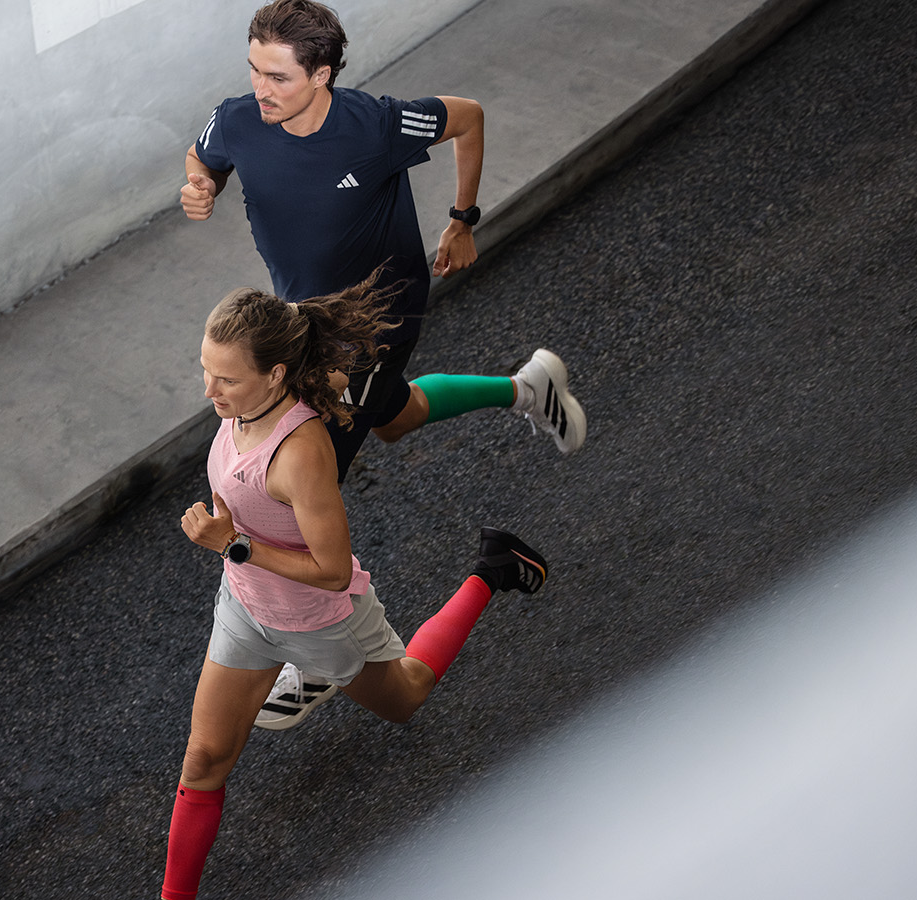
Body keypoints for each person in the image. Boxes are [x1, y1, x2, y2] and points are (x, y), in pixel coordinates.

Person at [181, 0, 585, 729]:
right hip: (303, 319)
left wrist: (462, 221)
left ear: (322, 74)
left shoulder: (375, 126)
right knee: (394, 418)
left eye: (277, 77)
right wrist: (201, 186)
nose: (260, 88)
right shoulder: (238, 120)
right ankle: (528, 388)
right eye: (254, 70)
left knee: (304, 472)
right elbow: (203, 156)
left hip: (377, 325)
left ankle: (318, 652)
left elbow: (468, 117)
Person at [161, 277, 550, 900]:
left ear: (275, 375)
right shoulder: (242, 409)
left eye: (225, 378)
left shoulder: (300, 452)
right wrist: (234, 543)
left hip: (321, 623)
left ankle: (492, 570)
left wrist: (235, 544)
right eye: (205, 370)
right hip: (245, 610)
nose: (208, 389)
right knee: (204, 760)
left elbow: (334, 571)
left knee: (406, 696)